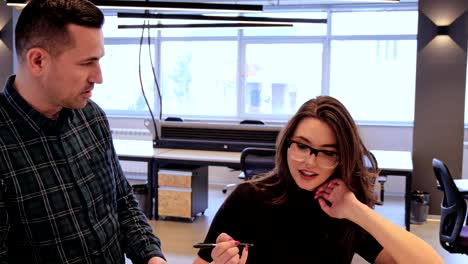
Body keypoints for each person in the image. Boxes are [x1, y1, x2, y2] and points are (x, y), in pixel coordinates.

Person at [0, 1, 166, 263]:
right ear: (38, 60)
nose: (98, 77)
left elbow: (122, 201)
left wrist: (151, 256)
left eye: (98, 60)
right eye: (87, 63)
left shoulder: (92, 117)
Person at [193, 96, 443, 264]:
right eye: (302, 146)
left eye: (328, 152)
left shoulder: (343, 208)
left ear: (342, 158)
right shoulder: (247, 198)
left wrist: (357, 210)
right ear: (287, 144)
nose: (310, 162)